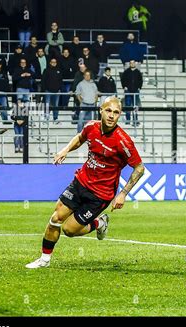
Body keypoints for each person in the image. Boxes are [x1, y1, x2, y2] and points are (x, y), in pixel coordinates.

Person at [25, 96, 145, 269]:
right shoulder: (91, 127)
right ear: (101, 111)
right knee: (55, 218)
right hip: (81, 182)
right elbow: (80, 138)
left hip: (100, 194)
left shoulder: (123, 141)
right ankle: (44, 259)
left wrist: (123, 194)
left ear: (120, 115)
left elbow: (139, 168)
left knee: (69, 230)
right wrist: (65, 150)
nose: (111, 115)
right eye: (108, 111)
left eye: (116, 112)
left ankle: (99, 223)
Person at [120, 60, 143, 126]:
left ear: (135, 64)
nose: (132, 64)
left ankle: (135, 119)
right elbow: (123, 79)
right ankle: (128, 120)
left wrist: (139, 87)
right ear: (130, 64)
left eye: (133, 63)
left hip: (136, 91)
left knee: (135, 106)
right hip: (128, 91)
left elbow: (140, 80)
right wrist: (124, 86)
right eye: (131, 63)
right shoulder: (126, 72)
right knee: (128, 105)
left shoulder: (138, 72)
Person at [41, 57, 63, 123]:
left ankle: (55, 118)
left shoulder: (59, 70)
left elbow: (60, 81)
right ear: (50, 63)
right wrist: (44, 89)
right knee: (47, 105)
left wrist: (59, 88)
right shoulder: (46, 70)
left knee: (56, 105)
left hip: (57, 91)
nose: (53, 63)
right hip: (48, 91)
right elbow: (43, 81)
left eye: (55, 62)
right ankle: (46, 118)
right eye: (52, 62)